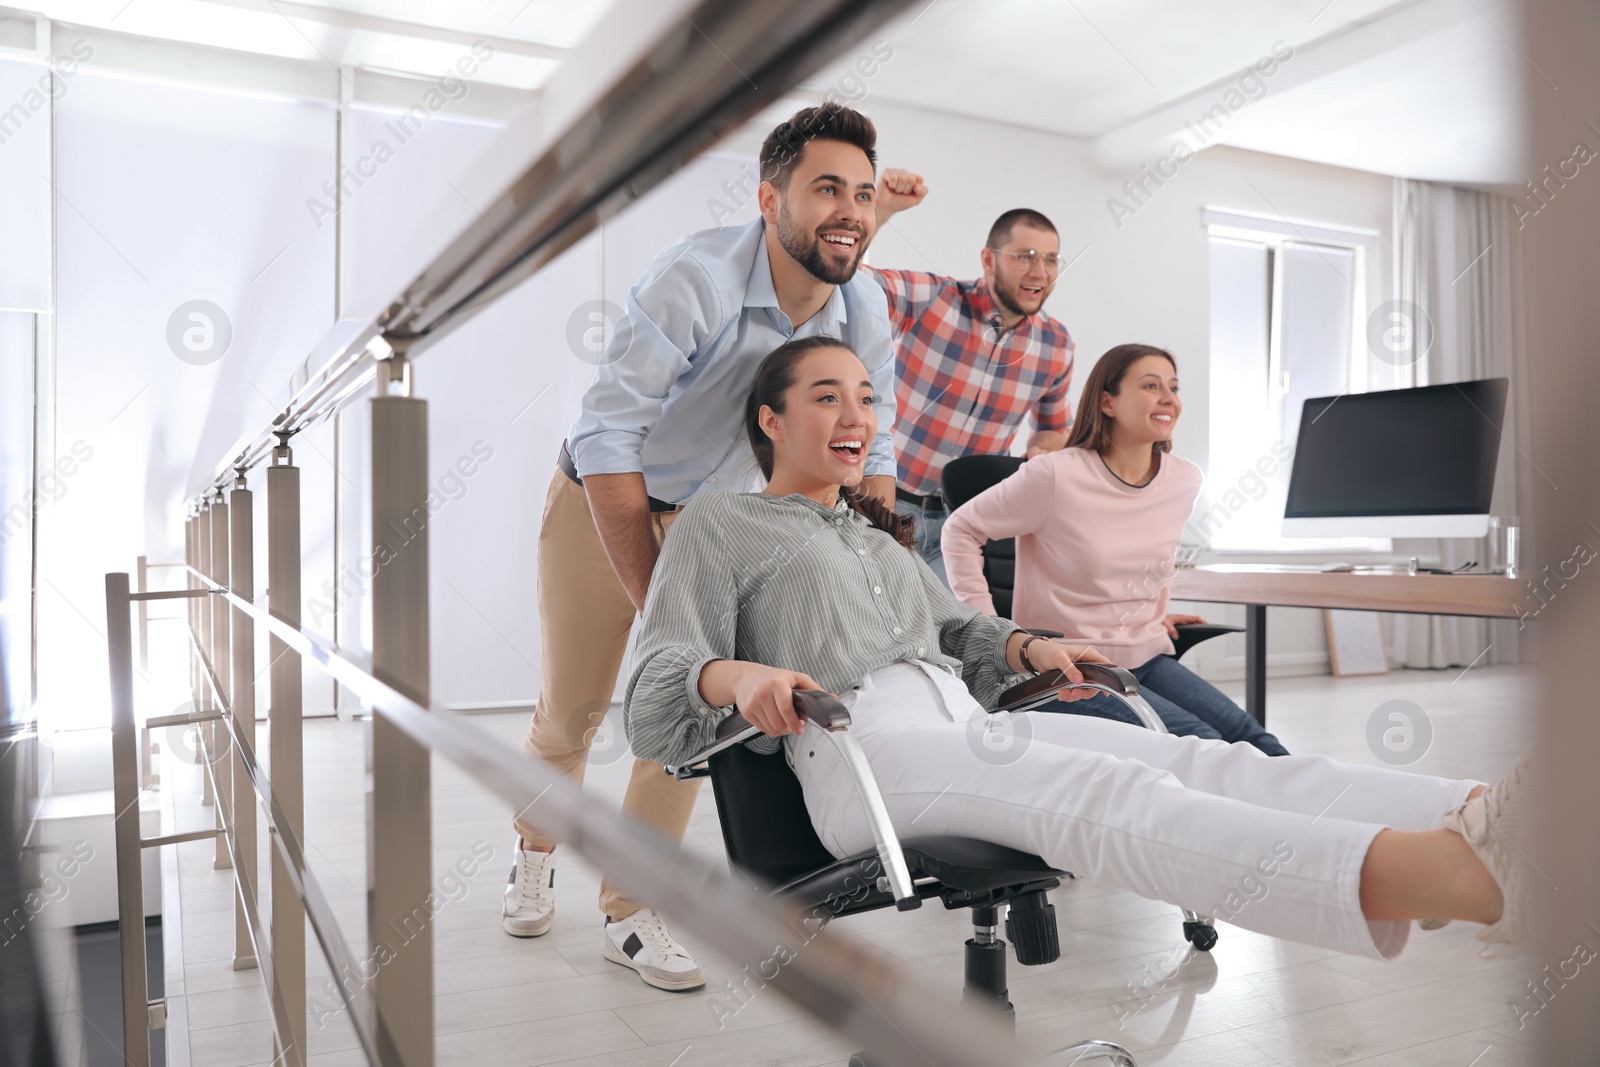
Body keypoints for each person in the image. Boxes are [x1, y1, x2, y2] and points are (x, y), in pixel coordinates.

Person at [622, 336, 1533, 964]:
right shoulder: (722, 525)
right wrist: (736, 674)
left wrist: (1023, 643)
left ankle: (1485, 815)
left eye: (866, 396)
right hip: (862, 753)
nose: (857, 414)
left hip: (961, 722)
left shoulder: (872, 532)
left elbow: (956, 633)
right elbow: (653, 694)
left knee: (1200, 758)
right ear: (770, 422)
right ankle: (1448, 877)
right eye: (827, 397)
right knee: (1108, 790)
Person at [507, 104, 899, 992]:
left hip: (718, 520)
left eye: (865, 195)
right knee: (572, 709)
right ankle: (534, 850)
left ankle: (631, 911)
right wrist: (656, 601)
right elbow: (609, 438)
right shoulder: (694, 280)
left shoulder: (862, 303)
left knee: (684, 720)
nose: (851, 209)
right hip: (603, 496)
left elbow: (872, 441)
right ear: (770, 198)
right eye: (826, 188)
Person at [941, 343, 1288, 755]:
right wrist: (995, 633)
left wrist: (1153, 613)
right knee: (1209, 748)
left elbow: (1151, 556)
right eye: (1150, 385)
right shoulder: (1055, 475)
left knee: (1257, 741)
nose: (1168, 399)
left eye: (1173, 388)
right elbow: (960, 529)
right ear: (1107, 402)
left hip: (1149, 653)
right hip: (1070, 664)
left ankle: (1329, 819)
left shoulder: (1184, 480)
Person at [860, 170, 1077, 583]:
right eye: (1026, 256)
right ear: (989, 259)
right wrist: (882, 208)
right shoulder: (934, 299)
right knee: (872, 634)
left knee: (949, 642)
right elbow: (850, 280)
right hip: (886, 508)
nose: (1040, 271)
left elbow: (1051, 431)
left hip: (965, 523)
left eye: (1051, 260)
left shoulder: (1057, 345)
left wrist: (1044, 454)